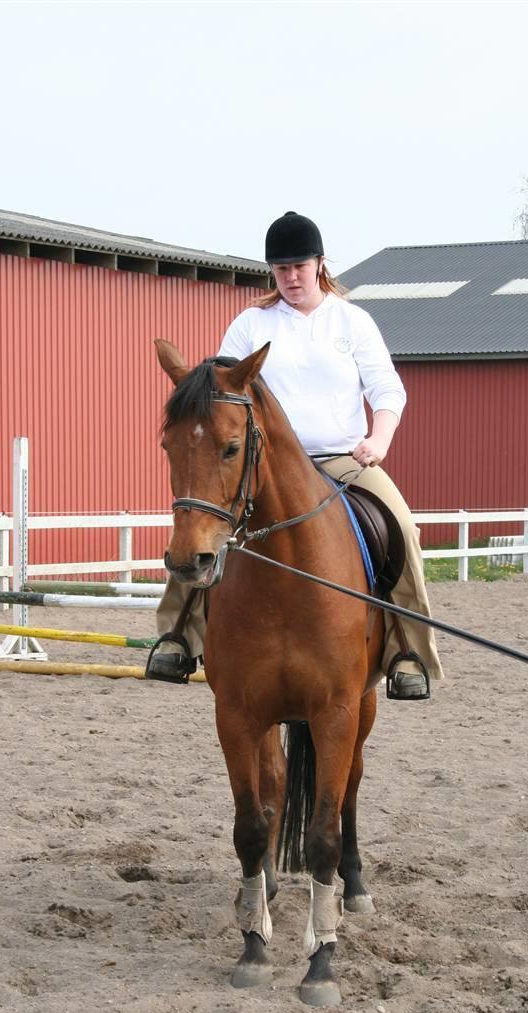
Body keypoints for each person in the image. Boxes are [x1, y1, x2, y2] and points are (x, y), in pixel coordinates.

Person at [147, 211, 443, 698]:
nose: (291, 277)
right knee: (204, 520)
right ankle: (178, 634)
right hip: (267, 467)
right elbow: (221, 391)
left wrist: (380, 438)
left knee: (403, 527)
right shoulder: (251, 324)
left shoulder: (353, 322)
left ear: (320, 264)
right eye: (281, 268)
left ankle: (408, 652)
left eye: (300, 266)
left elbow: (388, 389)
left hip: (343, 460)